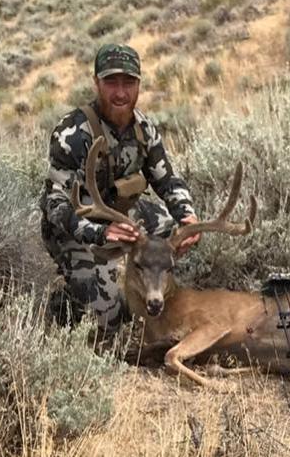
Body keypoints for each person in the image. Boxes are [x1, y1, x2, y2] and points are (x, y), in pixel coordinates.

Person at [39, 43, 200, 341]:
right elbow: (55, 204)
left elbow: (167, 181)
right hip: (75, 229)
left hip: (122, 220)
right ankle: (68, 301)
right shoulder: (71, 134)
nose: (120, 93)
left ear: (139, 84)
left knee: (166, 225)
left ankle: (146, 282)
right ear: (96, 83)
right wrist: (100, 234)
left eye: (129, 83)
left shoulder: (144, 128)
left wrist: (187, 215)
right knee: (114, 322)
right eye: (111, 82)